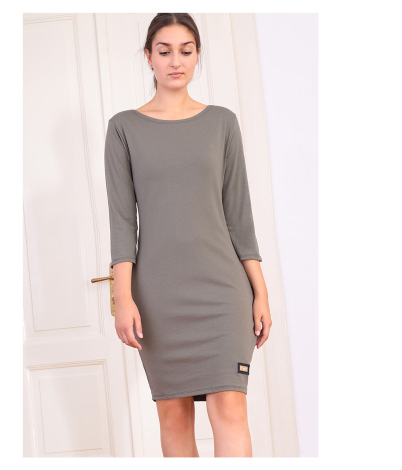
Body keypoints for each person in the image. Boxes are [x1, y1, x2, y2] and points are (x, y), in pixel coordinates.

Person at [104, 13, 272, 458]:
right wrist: (124, 297)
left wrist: (260, 292)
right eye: (164, 51)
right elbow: (122, 222)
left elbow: (239, 217)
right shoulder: (123, 128)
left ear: (198, 56)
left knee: (231, 411)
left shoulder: (222, 122)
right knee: (174, 417)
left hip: (222, 293)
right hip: (159, 297)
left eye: (186, 50)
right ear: (148, 57)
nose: (175, 61)